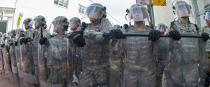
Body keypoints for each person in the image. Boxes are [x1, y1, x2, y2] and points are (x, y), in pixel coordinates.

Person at [78, 3, 124, 87]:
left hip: (101, 68)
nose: (92, 14)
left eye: (94, 11)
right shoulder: (85, 26)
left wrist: (85, 33)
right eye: (90, 11)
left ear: (101, 13)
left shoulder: (105, 23)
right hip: (87, 67)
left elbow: (102, 38)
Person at [165, 1, 209, 87]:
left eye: (185, 8)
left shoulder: (195, 27)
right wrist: (169, 36)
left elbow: (200, 46)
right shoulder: (173, 26)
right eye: (181, 8)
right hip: (178, 66)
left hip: (192, 66)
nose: (183, 10)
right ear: (176, 11)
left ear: (189, 10)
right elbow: (166, 47)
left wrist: (203, 38)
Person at [116, 4, 160, 87]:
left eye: (139, 12)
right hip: (129, 75)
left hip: (147, 74)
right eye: (134, 12)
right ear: (131, 15)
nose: (137, 14)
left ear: (144, 14)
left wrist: (157, 41)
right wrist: (117, 39)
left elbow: (157, 54)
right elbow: (118, 53)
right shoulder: (125, 33)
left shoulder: (151, 33)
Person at [39, 16, 84, 87]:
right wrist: (46, 43)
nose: (54, 25)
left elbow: (61, 55)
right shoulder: (53, 38)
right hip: (54, 73)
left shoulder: (70, 38)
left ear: (61, 26)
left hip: (65, 73)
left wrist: (49, 44)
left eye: (55, 24)